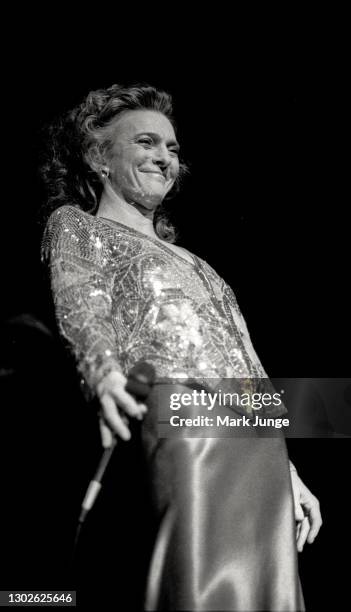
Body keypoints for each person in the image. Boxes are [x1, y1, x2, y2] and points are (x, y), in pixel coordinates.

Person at [40, 83, 322, 611]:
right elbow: (80, 303)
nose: (164, 158)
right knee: (200, 577)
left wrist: (289, 470)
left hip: (256, 439)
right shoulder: (79, 227)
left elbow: (246, 362)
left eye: (171, 149)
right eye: (146, 142)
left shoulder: (198, 263)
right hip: (184, 419)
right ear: (97, 156)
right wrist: (101, 373)